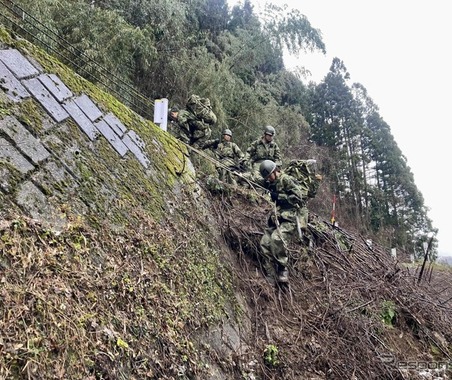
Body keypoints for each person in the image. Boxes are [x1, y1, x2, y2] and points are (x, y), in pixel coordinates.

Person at [258, 159, 308, 283]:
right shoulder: (270, 182)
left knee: (276, 238)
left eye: (270, 176)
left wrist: (278, 197)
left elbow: (298, 198)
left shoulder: (286, 180)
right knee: (264, 242)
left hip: (290, 218)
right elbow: (257, 180)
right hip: (277, 218)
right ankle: (270, 273)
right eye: (267, 178)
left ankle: (282, 268)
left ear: (275, 171)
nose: (269, 179)